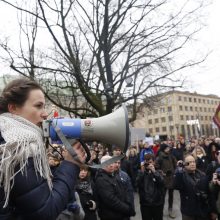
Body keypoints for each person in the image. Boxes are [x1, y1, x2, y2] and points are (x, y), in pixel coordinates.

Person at [0, 78, 86, 220]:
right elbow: (44, 212)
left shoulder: (8, 140)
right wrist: (71, 164)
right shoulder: (18, 148)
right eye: (38, 106)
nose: (45, 114)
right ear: (13, 108)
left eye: (44, 106)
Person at [95, 155, 135, 220]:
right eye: (107, 163)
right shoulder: (101, 179)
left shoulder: (113, 175)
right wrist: (128, 209)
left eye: (112, 163)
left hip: (120, 215)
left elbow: (124, 193)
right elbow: (112, 200)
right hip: (111, 216)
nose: (111, 165)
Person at [174, 154, 211, 220]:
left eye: (193, 162)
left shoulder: (202, 174)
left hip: (201, 210)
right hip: (188, 211)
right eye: (189, 163)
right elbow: (177, 185)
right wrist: (179, 168)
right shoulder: (181, 176)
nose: (192, 164)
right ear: (184, 165)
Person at [136, 154, 165, 220]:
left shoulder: (159, 172)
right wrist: (142, 171)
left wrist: (154, 171)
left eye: (150, 162)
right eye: (147, 162)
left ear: (154, 162)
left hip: (157, 203)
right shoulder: (141, 172)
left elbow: (162, 183)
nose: (149, 164)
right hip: (145, 204)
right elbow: (137, 184)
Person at [156, 143, 176, 218]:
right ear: (163, 149)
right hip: (163, 179)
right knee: (162, 196)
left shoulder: (171, 156)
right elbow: (156, 168)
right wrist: (162, 173)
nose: (169, 149)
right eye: (167, 148)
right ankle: (160, 210)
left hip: (171, 179)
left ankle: (170, 210)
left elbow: (175, 164)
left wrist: (175, 171)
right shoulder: (159, 157)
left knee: (171, 196)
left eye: (169, 148)